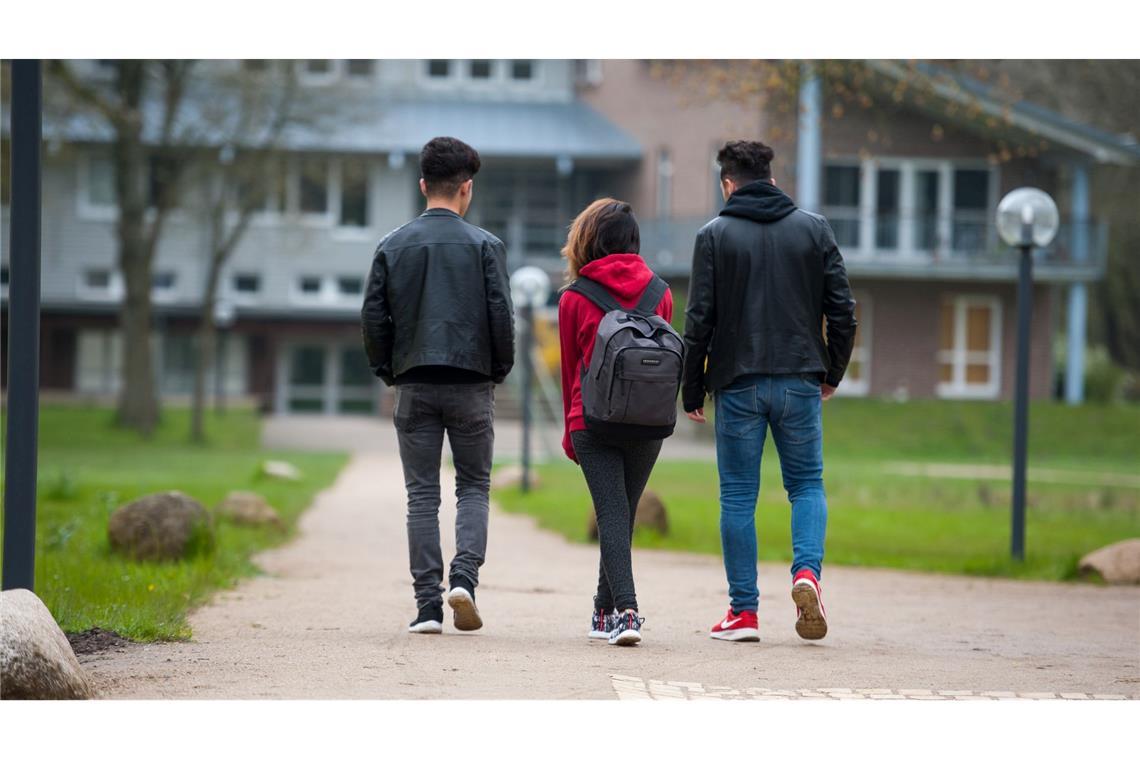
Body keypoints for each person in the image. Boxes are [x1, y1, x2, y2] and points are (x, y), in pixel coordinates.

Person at [682, 140, 857, 643]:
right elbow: (843, 310)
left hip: (737, 384)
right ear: (773, 180)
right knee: (806, 485)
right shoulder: (814, 228)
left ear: (727, 184)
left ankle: (744, 614)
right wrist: (832, 372)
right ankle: (806, 574)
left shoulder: (713, 235)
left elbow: (699, 321)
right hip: (801, 380)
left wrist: (691, 388)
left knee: (738, 495)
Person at [361, 136, 515, 635]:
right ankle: (464, 580)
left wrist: (390, 370)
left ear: (423, 185)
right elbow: (501, 318)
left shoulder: (391, 245)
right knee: (473, 486)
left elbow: (373, 319)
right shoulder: (487, 247)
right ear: (466, 189)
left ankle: (427, 606)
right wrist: (498, 371)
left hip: (415, 383)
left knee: (421, 496)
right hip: (471, 383)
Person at [558, 199, 676, 646]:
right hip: (649, 422)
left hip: (594, 421)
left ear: (587, 240)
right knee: (618, 516)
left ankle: (625, 611)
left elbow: (572, 370)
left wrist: (572, 434)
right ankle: (601, 610)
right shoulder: (661, 293)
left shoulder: (573, 298)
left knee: (613, 515)